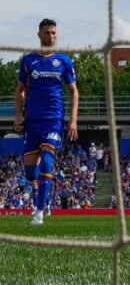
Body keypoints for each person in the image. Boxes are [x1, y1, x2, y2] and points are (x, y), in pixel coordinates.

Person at [14, 18, 79, 226]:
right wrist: (18, 115)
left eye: (53, 33)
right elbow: (19, 91)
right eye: (47, 33)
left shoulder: (64, 61)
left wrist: (73, 120)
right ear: (39, 34)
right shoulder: (28, 60)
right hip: (32, 122)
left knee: (48, 161)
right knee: (30, 173)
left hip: (54, 121)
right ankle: (42, 195)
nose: (50, 36)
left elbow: (74, 92)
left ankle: (39, 211)